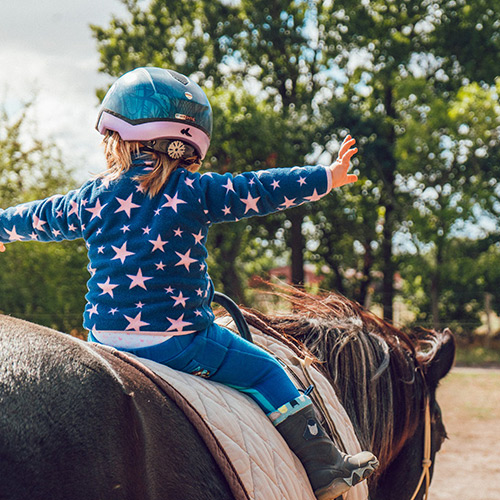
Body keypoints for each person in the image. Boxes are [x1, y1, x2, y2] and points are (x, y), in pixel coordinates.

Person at [0, 67, 378, 499]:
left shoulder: (91, 196)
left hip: (103, 341)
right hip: (180, 342)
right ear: (189, 146)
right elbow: (260, 188)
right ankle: (326, 467)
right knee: (267, 371)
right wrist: (326, 177)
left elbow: (40, 217)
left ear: (116, 138)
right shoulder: (196, 191)